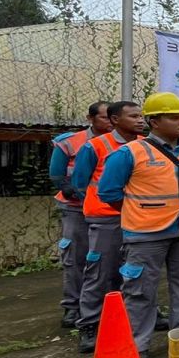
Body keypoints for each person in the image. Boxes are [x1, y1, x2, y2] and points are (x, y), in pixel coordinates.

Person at [97, 92, 179, 354]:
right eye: (174, 117)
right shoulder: (129, 154)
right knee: (140, 292)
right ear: (154, 121)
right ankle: (137, 345)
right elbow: (109, 193)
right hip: (145, 235)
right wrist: (141, 212)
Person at [71, 101, 145, 353]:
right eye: (133, 116)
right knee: (100, 272)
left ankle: (136, 317)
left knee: (136, 271)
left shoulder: (146, 144)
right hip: (106, 219)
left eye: (141, 116)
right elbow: (80, 183)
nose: (140, 120)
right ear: (114, 120)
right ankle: (90, 324)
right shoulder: (95, 147)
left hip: (138, 219)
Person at [48, 101, 111, 329]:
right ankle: (72, 307)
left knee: (111, 260)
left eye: (112, 117)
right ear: (90, 118)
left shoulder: (124, 144)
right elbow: (57, 176)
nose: (110, 122)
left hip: (111, 210)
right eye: (104, 117)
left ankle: (111, 304)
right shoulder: (69, 142)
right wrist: (74, 189)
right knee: (76, 258)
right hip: (77, 208)